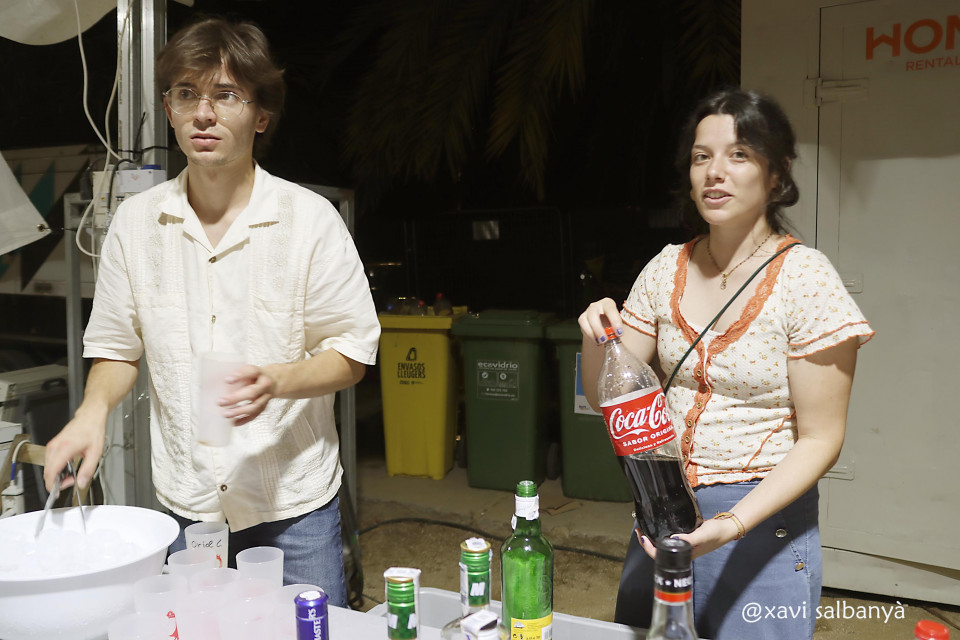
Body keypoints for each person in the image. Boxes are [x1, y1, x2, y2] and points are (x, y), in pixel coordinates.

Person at [43, 16, 380, 606]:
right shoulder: (136, 225)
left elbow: (352, 353)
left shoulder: (310, 221)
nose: (204, 113)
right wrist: (91, 413)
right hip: (188, 505)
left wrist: (278, 380)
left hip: (293, 504)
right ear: (169, 110)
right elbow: (118, 348)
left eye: (226, 95)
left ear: (261, 115)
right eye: (186, 94)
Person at [578, 88, 873, 640]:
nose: (715, 172)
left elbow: (821, 439)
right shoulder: (665, 268)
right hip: (664, 511)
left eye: (738, 154)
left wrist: (730, 525)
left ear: (777, 173)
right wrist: (596, 335)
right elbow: (605, 398)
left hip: (761, 519)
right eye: (701, 156)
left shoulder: (806, 279)